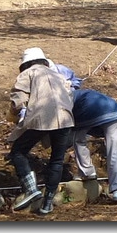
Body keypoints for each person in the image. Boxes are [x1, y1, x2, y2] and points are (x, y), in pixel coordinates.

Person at [6, 47, 74, 214]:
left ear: (26, 63)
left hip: (42, 117)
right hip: (66, 119)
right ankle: (47, 203)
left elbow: (18, 99)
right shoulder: (58, 75)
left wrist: (14, 114)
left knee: (17, 151)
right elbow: (70, 95)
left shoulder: (27, 74)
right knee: (57, 161)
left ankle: (31, 189)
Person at [71, 88, 117, 203]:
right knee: (114, 151)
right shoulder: (81, 93)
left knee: (78, 139)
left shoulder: (67, 96)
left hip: (91, 110)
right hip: (114, 110)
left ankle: (87, 172)